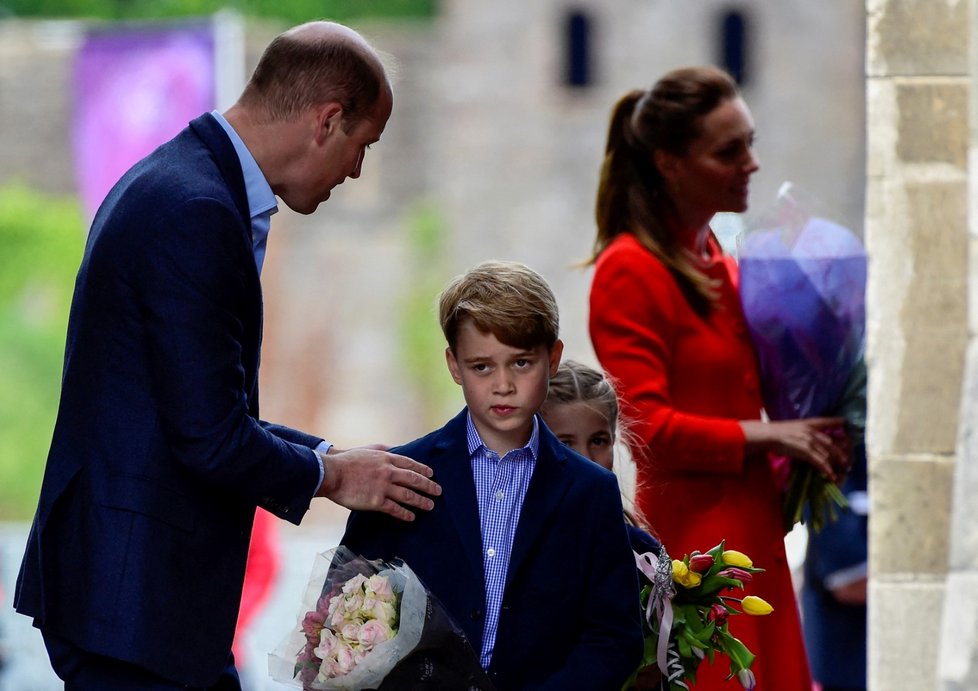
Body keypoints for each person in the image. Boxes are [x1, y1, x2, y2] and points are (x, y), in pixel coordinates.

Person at [14, 21, 441, 691]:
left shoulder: (183, 180)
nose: (358, 170)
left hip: (131, 596)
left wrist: (334, 456)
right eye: (362, 146)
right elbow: (210, 438)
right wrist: (332, 476)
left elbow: (198, 408)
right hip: (134, 604)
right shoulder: (195, 208)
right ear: (328, 121)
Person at [586, 66, 850, 690]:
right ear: (670, 163)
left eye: (751, 143)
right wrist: (777, 437)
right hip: (694, 545)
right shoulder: (629, 268)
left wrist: (809, 449)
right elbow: (649, 427)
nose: (752, 163)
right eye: (729, 151)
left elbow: (756, 395)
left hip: (754, 525)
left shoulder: (720, 263)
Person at [342, 261, 644, 690]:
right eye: (482, 366)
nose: (503, 384)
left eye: (521, 363)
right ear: (454, 365)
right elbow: (343, 612)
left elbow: (615, 638)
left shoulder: (590, 491)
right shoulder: (400, 476)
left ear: (552, 358)